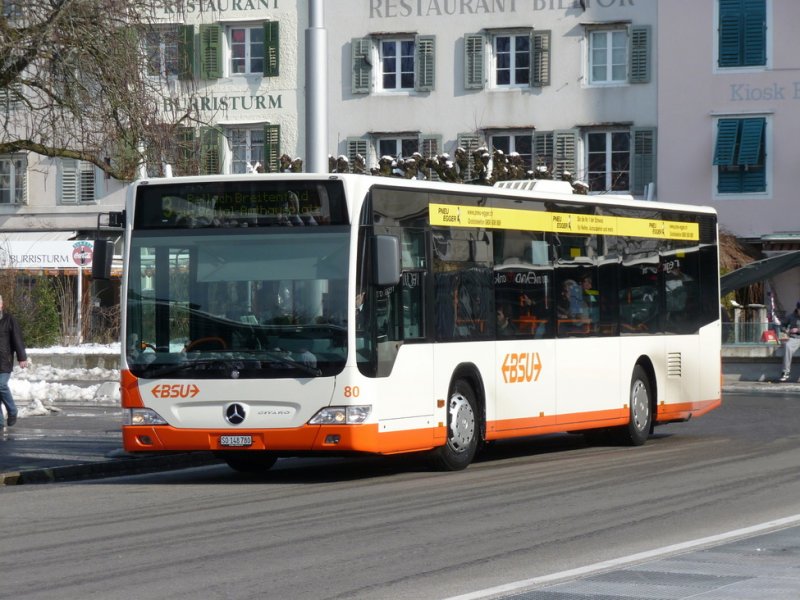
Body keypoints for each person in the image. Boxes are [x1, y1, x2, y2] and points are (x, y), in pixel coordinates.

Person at [0, 294, 29, 427]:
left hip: (4, 361)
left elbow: (17, 338)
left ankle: (12, 410)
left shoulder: (9, 319)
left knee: (1, 385)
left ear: (1, 305)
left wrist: (22, 357)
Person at [779, 302, 800, 381]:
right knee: (787, 346)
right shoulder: (791, 316)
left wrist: (798, 330)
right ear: (797, 309)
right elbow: (782, 325)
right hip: (794, 338)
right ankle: (785, 372)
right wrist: (786, 330)